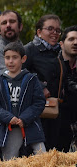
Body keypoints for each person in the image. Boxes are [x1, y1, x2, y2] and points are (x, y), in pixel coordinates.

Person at [0, 43, 47, 160]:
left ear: (23, 59)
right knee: (10, 160)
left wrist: (25, 118)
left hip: (31, 125)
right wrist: (8, 117)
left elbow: (39, 102)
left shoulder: (31, 79)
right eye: (7, 57)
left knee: (43, 157)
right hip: (9, 127)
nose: (10, 61)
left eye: (15, 57)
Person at [24, 15, 63, 150]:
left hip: (57, 110)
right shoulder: (29, 49)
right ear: (39, 32)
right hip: (36, 112)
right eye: (50, 29)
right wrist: (40, 87)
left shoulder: (60, 51)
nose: (55, 33)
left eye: (58, 30)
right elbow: (19, 73)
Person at [59, 26, 77, 152]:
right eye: (71, 39)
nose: (75, 42)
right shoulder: (53, 64)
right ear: (61, 44)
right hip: (57, 124)